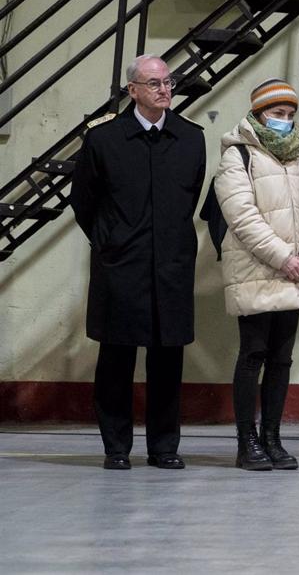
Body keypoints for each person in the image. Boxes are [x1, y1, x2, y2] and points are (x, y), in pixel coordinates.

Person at [70, 54, 206, 470]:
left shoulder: (190, 138)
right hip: (121, 268)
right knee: (116, 359)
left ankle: (164, 447)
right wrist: (109, 241)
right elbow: (83, 201)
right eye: (153, 83)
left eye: (168, 82)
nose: (164, 90)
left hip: (171, 268)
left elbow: (190, 198)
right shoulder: (104, 140)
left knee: (167, 360)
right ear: (132, 90)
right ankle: (116, 448)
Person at [214, 79, 299, 471]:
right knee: (253, 354)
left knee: (282, 359)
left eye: (289, 115)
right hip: (257, 268)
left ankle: (273, 439)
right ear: (258, 113)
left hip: (295, 271)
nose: (284, 121)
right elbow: (242, 217)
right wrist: (285, 257)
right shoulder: (237, 155)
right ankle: (247, 442)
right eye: (276, 114)